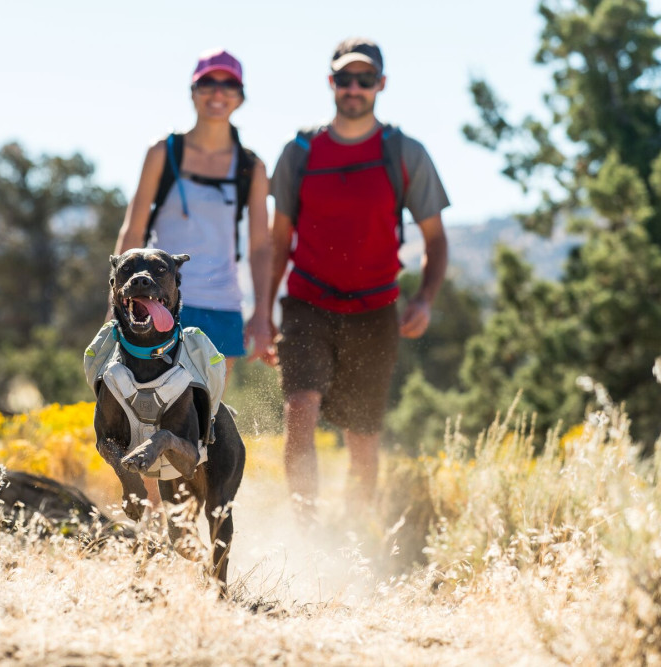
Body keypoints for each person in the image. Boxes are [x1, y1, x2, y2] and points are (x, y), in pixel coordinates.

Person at [268, 37, 450, 522]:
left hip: (375, 311)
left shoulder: (404, 152)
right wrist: (262, 314)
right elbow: (277, 240)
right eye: (345, 78)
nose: (354, 87)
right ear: (331, 82)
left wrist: (424, 299)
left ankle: (353, 537)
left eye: (364, 78)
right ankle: (305, 533)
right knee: (300, 412)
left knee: (363, 436)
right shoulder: (299, 152)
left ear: (380, 84)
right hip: (307, 303)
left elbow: (436, 239)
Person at [113, 48, 273, 377]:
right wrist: (113, 306)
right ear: (193, 91)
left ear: (240, 97)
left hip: (223, 307)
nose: (218, 93)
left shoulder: (251, 166)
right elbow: (133, 231)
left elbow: (260, 247)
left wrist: (262, 314)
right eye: (208, 83)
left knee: (206, 406)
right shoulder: (163, 152)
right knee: (148, 398)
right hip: (158, 299)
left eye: (228, 85)